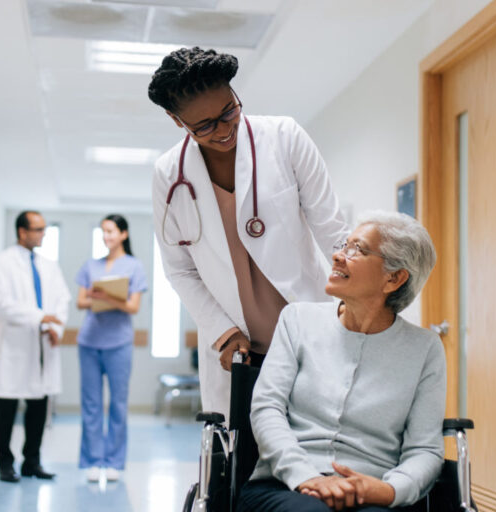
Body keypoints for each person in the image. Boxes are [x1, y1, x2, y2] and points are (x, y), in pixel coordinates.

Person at [148, 47, 350, 417]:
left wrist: (363, 301)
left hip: (306, 332)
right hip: (235, 350)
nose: (225, 130)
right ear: (176, 120)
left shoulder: (284, 137)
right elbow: (179, 268)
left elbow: (333, 231)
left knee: (314, 443)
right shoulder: (168, 174)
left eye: (229, 111)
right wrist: (222, 332)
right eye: (205, 126)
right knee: (238, 448)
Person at [238, 211, 445, 512]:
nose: (337, 256)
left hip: (373, 493)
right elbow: (267, 408)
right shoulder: (297, 320)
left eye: (357, 249)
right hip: (284, 485)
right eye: (344, 245)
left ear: (394, 278)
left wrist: (388, 490)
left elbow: (425, 448)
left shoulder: (424, 349)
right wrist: (306, 477)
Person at [0, 211, 71, 483]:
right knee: (6, 408)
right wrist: (40, 317)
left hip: (43, 344)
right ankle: (5, 464)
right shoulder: (2, 262)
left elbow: (62, 300)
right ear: (22, 232)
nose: (43, 234)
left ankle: (31, 462)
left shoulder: (49, 265)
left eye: (44, 228)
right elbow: (2, 303)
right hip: (16, 344)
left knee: (38, 407)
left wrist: (56, 328)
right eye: (38, 229)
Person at [74, 214, 148, 482]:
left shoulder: (134, 266)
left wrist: (107, 298)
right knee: (91, 405)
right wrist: (100, 298)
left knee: (118, 404)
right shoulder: (90, 266)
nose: (106, 236)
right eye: (103, 231)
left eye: (111, 231)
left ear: (123, 234)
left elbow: (133, 306)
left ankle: (114, 462)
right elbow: (80, 302)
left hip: (119, 344)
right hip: (89, 342)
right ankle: (93, 461)